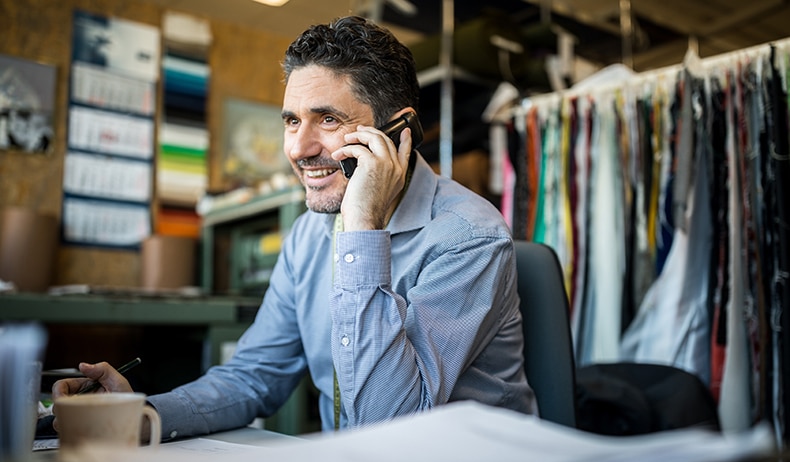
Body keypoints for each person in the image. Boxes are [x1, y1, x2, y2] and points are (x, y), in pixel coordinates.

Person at [53, 15, 534, 439]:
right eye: (290, 121)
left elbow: (389, 425)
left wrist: (363, 229)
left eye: (327, 119)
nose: (300, 148)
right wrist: (140, 414)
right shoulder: (309, 235)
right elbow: (254, 375)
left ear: (398, 132)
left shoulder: (467, 237)